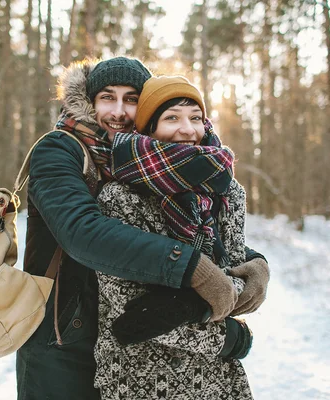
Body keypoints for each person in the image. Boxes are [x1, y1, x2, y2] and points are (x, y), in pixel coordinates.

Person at [16, 57, 270, 400]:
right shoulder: (60, 149)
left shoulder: (150, 162)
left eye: (131, 99)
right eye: (108, 97)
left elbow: (198, 234)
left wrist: (252, 262)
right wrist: (191, 267)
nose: (119, 111)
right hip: (63, 336)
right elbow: (80, 231)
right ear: (89, 101)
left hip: (131, 342)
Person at [93, 75, 258, 399]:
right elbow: (129, 310)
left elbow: (233, 282)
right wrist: (225, 337)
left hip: (218, 377)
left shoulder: (227, 191)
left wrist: (251, 273)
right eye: (172, 118)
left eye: (195, 117)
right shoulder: (120, 197)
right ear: (148, 127)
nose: (187, 129)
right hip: (140, 377)